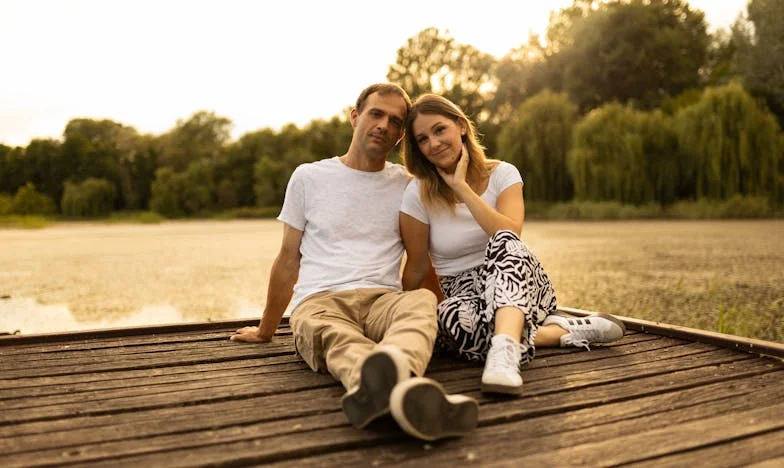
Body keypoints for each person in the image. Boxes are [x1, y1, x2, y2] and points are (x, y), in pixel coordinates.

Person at [230, 84, 478, 441]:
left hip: (382, 300)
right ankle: (406, 390)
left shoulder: (408, 185)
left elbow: (421, 263)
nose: (384, 125)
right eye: (376, 114)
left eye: (395, 121)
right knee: (333, 336)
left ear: (399, 137)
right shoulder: (309, 177)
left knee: (420, 303)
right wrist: (266, 330)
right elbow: (287, 261)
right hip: (320, 302)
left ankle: (389, 382)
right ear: (355, 116)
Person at [399, 94, 626, 396]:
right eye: (423, 139)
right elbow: (416, 267)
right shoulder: (417, 193)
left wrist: (461, 188)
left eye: (440, 130)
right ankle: (557, 333)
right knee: (444, 320)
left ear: (461, 127)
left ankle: (504, 356)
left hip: (519, 280)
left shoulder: (503, 173)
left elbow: (508, 233)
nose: (434, 143)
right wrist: (403, 313)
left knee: (504, 238)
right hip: (464, 295)